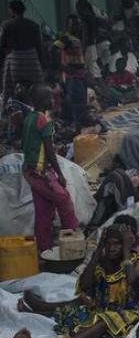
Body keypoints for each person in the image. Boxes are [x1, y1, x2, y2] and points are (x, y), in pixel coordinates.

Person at [26, 224, 139, 338]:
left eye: (117, 244)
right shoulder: (103, 261)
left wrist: (127, 251)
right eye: (107, 244)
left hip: (128, 313)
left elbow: (132, 280)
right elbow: (84, 285)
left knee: (106, 320)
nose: (111, 248)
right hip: (100, 309)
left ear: (125, 244)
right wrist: (97, 253)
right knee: (83, 326)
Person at [21, 83, 78, 252]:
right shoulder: (45, 121)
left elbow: (25, 143)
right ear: (41, 101)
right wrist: (59, 174)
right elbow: (50, 152)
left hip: (29, 170)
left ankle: (45, 248)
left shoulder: (29, 118)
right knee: (64, 199)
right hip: (41, 172)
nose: (53, 100)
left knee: (43, 211)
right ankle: (72, 237)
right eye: (50, 97)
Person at [0, 0, 44, 102]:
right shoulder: (34, 25)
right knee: (38, 89)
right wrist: (41, 64)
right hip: (32, 61)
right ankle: (40, 111)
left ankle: (7, 112)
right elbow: (39, 47)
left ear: (11, 10)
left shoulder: (6, 25)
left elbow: (1, 46)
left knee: (9, 89)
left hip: (15, 60)